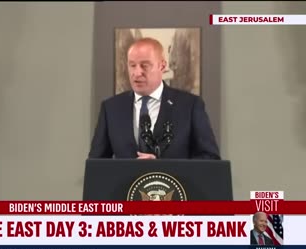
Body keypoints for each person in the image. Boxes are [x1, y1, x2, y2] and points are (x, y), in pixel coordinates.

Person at [88, 37, 220, 159]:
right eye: (132, 65)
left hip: (176, 184)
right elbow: (96, 163)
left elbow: (210, 158)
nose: (137, 73)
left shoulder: (189, 105)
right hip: (125, 185)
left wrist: (161, 167)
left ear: (162, 66)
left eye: (144, 65)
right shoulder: (111, 108)